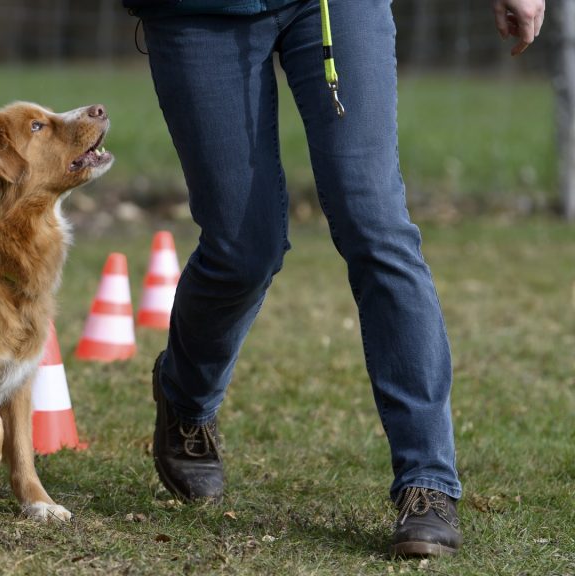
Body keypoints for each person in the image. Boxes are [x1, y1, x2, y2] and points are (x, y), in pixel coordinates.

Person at [124, 0, 545, 558]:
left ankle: (428, 482)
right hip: (200, 10)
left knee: (376, 225)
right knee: (242, 250)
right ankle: (186, 397)